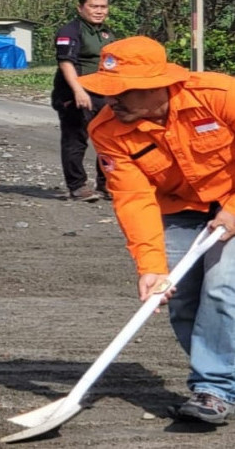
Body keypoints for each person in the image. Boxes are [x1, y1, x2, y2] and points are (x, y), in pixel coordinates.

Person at [80, 36, 235, 424]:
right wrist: (150, 266)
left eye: (122, 91)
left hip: (231, 198)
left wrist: (234, 208)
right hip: (180, 210)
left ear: (158, 85)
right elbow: (133, 199)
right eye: (107, 90)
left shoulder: (219, 95)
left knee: (222, 287)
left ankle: (213, 388)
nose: (111, 100)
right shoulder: (107, 130)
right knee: (179, 297)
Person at [51, 0, 116, 202]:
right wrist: (78, 90)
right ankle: (77, 186)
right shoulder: (70, 31)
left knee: (109, 140)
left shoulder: (107, 33)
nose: (99, 11)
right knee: (76, 140)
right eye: (93, 6)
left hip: (103, 94)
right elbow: (66, 62)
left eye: (103, 6)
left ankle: (106, 184)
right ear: (80, 8)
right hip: (75, 94)